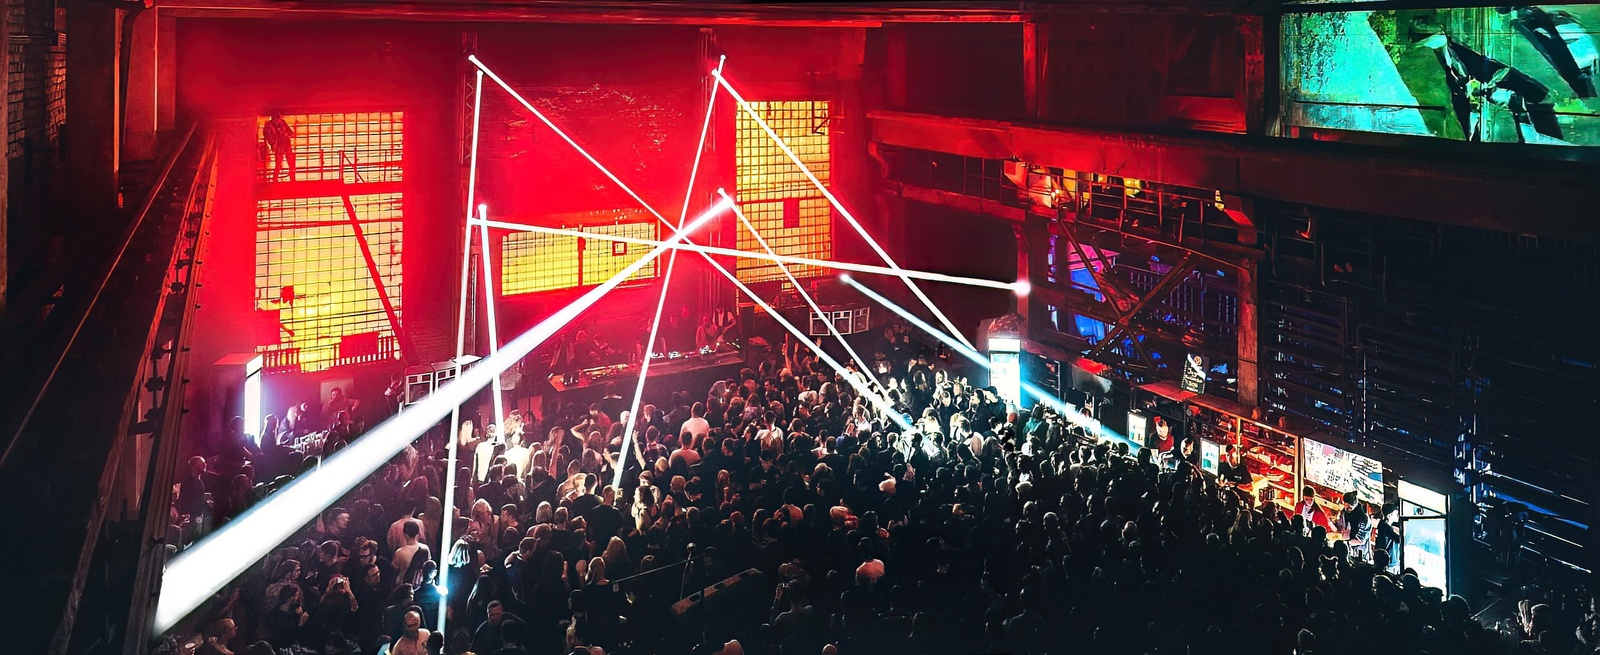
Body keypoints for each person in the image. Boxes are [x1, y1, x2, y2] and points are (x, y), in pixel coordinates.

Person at [263, 111, 296, 181]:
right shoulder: (269, 125)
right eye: (277, 120)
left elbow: (290, 133)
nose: (278, 122)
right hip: (278, 144)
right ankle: (275, 180)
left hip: (286, 143)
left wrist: (286, 134)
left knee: (290, 162)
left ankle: (292, 179)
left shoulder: (282, 122)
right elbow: (267, 136)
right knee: (278, 165)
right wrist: (273, 143)